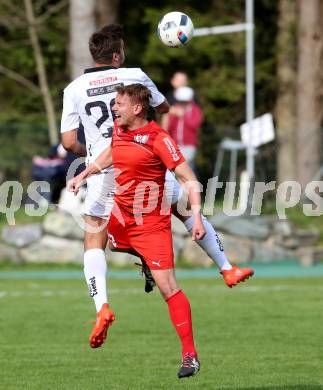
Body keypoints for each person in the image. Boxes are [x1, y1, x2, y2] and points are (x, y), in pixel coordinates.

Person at [60, 24, 254, 350]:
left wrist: (88, 155)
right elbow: (161, 109)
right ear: (117, 55)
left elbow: (68, 142)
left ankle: (102, 306)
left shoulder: (74, 88)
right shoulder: (134, 75)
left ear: (94, 54)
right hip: (144, 161)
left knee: (95, 235)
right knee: (183, 208)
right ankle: (226, 267)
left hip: (105, 168)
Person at [69, 84, 204, 378]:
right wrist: (84, 173)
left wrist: (197, 216)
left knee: (168, 288)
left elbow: (188, 178)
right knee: (102, 241)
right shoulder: (119, 130)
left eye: (119, 104)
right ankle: (141, 265)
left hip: (151, 226)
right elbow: (111, 154)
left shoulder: (158, 138)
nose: (113, 108)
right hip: (121, 217)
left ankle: (190, 355)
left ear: (137, 108)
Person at [162, 86, 202, 168]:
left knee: (183, 167)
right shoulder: (175, 108)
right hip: (174, 144)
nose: (182, 104)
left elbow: (195, 125)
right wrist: (167, 115)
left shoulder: (195, 110)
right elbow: (165, 129)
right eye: (180, 101)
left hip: (188, 145)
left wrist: (183, 116)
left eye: (185, 101)